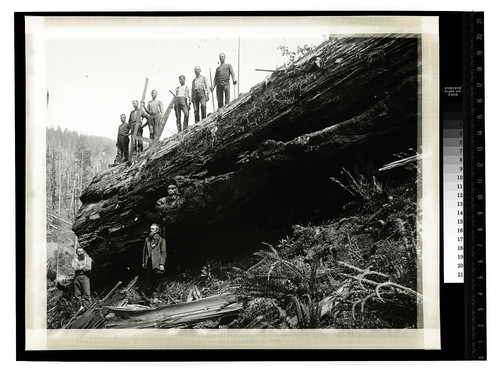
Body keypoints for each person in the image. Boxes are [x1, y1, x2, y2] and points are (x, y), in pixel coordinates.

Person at [142, 223, 167, 298]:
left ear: (157, 230)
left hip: (156, 263)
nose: (151, 230)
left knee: (156, 279)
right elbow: (144, 252)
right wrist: (143, 262)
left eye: (153, 229)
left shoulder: (161, 240)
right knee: (148, 279)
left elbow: (164, 253)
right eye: (150, 229)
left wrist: (162, 264)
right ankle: (147, 296)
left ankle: (155, 296)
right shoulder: (147, 239)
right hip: (148, 262)